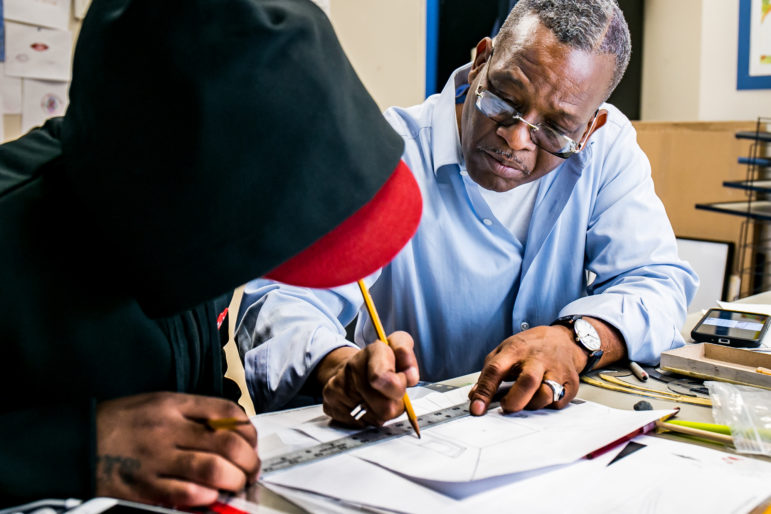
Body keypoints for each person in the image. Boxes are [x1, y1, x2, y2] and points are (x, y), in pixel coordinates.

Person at [0, 0, 422, 508]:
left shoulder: (201, 219)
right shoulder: (11, 231)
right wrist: (85, 446)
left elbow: (201, 378)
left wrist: (232, 423)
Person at [236, 0, 698, 426]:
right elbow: (279, 303)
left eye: (556, 129)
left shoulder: (606, 148)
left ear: (592, 124)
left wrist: (578, 339)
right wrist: (338, 366)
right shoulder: (384, 153)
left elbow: (657, 283)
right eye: (504, 99)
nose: (515, 141)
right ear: (482, 60)